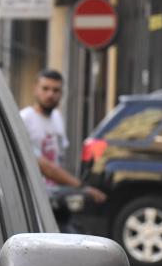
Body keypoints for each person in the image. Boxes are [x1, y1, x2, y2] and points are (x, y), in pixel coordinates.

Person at [19, 69, 106, 203]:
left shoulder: (57, 117)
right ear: (35, 89)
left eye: (56, 90)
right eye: (45, 89)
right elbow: (43, 166)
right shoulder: (24, 119)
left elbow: (59, 159)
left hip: (54, 195)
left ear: (62, 93)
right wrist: (80, 186)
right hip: (32, 196)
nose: (50, 94)